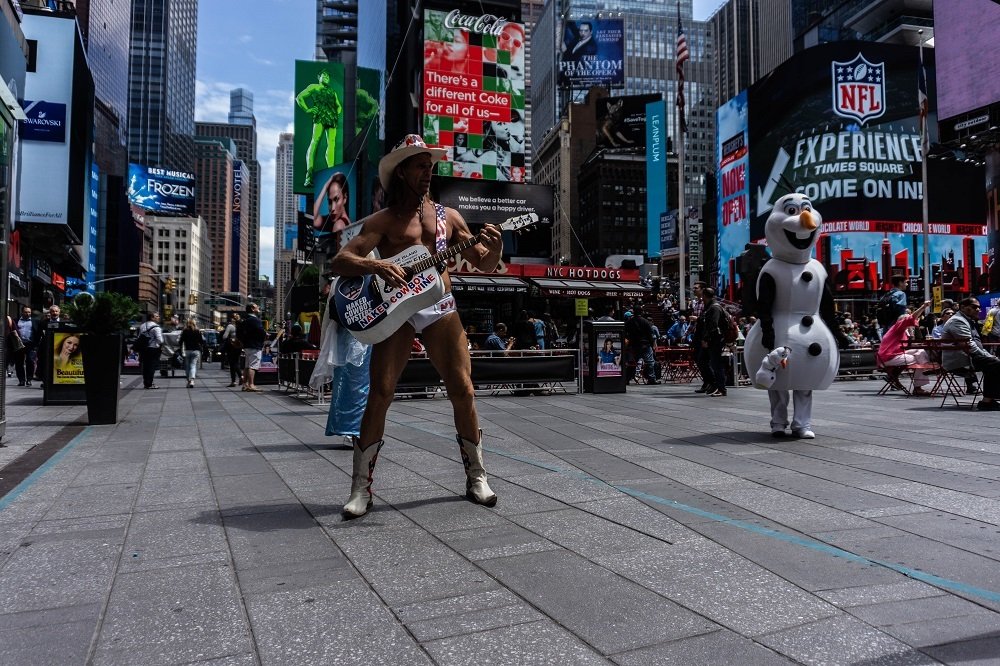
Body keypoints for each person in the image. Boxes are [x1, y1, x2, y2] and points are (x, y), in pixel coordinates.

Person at [330, 133, 504, 518]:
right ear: (401, 171)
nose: (428, 172)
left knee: (463, 389)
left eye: (431, 166)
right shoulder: (382, 220)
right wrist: (376, 265)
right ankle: (360, 488)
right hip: (396, 310)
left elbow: (485, 263)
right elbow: (340, 261)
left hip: (439, 306)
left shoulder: (448, 218)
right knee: (380, 393)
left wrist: (495, 247)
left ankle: (477, 477)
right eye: (421, 166)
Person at [941, 297, 1000, 411]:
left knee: (994, 362)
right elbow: (969, 345)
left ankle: (990, 399)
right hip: (960, 359)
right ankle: (987, 402)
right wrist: (988, 356)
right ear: (963, 307)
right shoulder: (957, 321)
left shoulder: (967, 320)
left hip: (970, 356)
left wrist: (988, 355)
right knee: (995, 363)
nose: (978, 310)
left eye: (979, 307)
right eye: (974, 307)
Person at [296, 68, 343, 188]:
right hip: (320, 116)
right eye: (324, 75)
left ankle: (331, 174)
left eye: (328, 76)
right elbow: (299, 97)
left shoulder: (333, 91)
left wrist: (336, 112)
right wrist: (307, 109)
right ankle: (309, 175)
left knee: (331, 143)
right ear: (319, 77)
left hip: (331, 118)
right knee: (315, 141)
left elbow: (339, 106)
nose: (326, 77)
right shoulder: (314, 87)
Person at [876, 301, 933, 396]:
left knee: (920, 352)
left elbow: (904, 346)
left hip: (893, 355)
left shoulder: (900, 331)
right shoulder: (898, 327)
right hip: (889, 357)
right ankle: (918, 385)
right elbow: (912, 318)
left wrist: (912, 334)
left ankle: (924, 369)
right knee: (919, 359)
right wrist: (923, 307)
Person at [698, 289, 728, 396]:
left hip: (715, 340)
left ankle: (721, 388)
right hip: (712, 339)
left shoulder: (714, 308)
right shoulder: (710, 307)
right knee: (702, 360)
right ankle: (713, 384)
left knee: (716, 364)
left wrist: (706, 339)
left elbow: (713, 325)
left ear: (704, 295)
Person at [624, 310, 659, 384]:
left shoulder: (629, 322)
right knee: (650, 362)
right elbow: (650, 334)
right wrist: (652, 344)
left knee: (632, 362)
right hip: (645, 345)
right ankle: (651, 379)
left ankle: (627, 379)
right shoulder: (645, 321)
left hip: (634, 345)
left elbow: (624, 332)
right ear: (641, 312)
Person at [237, 303, 266, 392]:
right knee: (253, 366)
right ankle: (251, 385)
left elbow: (239, 333)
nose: (258, 307)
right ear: (253, 308)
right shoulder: (255, 320)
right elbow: (261, 332)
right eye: (257, 306)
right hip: (255, 345)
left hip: (247, 346)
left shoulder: (244, 320)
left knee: (247, 366)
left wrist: (243, 341)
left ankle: (245, 385)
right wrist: (265, 334)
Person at [13, 306, 40, 387]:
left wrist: (36, 344)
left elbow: (38, 333)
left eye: (29, 312)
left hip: (30, 344)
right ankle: (21, 380)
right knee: (19, 362)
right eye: (26, 312)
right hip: (19, 344)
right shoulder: (16, 320)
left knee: (30, 361)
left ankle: (29, 379)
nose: (27, 314)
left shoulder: (35, 321)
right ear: (22, 312)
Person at [136, 313, 163, 389]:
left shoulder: (142, 325)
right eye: (157, 316)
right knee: (151, 366)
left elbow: (139, 337)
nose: (158, 317)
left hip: (144, 349)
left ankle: (146, 383)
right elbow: (160, 340)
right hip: (153, 348)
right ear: (152, 318)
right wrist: (158, 344)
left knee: (145, 366)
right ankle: (149, 384)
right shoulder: (156, 327)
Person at [179, 318, 205, 388]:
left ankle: (189, 381)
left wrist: (180, 348)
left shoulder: (185, 331)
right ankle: (192, 380)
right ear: (194, 323)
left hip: (187, 351)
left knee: (187, 366)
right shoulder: (198, 331)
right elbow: (201, 341)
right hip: (196, 351)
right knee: (193, 365)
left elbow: (181, 341)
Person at [221, 313, 242, 386]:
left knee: (232, 363)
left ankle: (237, 379)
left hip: (231, 346)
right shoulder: (240, 325)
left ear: (232, 318)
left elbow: (224, 336)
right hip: (239, 346)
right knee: (236, 362)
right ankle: (236, 379)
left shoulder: (230, 326)